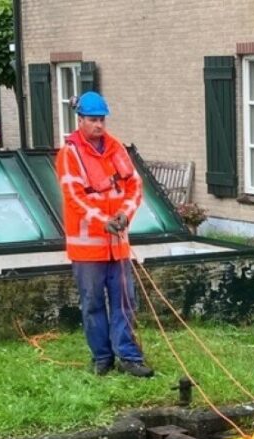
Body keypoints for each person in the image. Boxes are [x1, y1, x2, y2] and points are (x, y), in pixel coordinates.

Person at [56, 91, 153, 377]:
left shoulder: (116, 149)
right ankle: (102, 358)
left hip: (118, 245)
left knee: (125, 301)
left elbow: (134, 187)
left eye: (101, 120)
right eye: (93, 120)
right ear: (80, 120)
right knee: (93, 303)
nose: (99, 125)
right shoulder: (70, 154)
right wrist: (103, 221)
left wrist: (125, 215)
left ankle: (129, 357)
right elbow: (74, 197)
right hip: (87, 248)